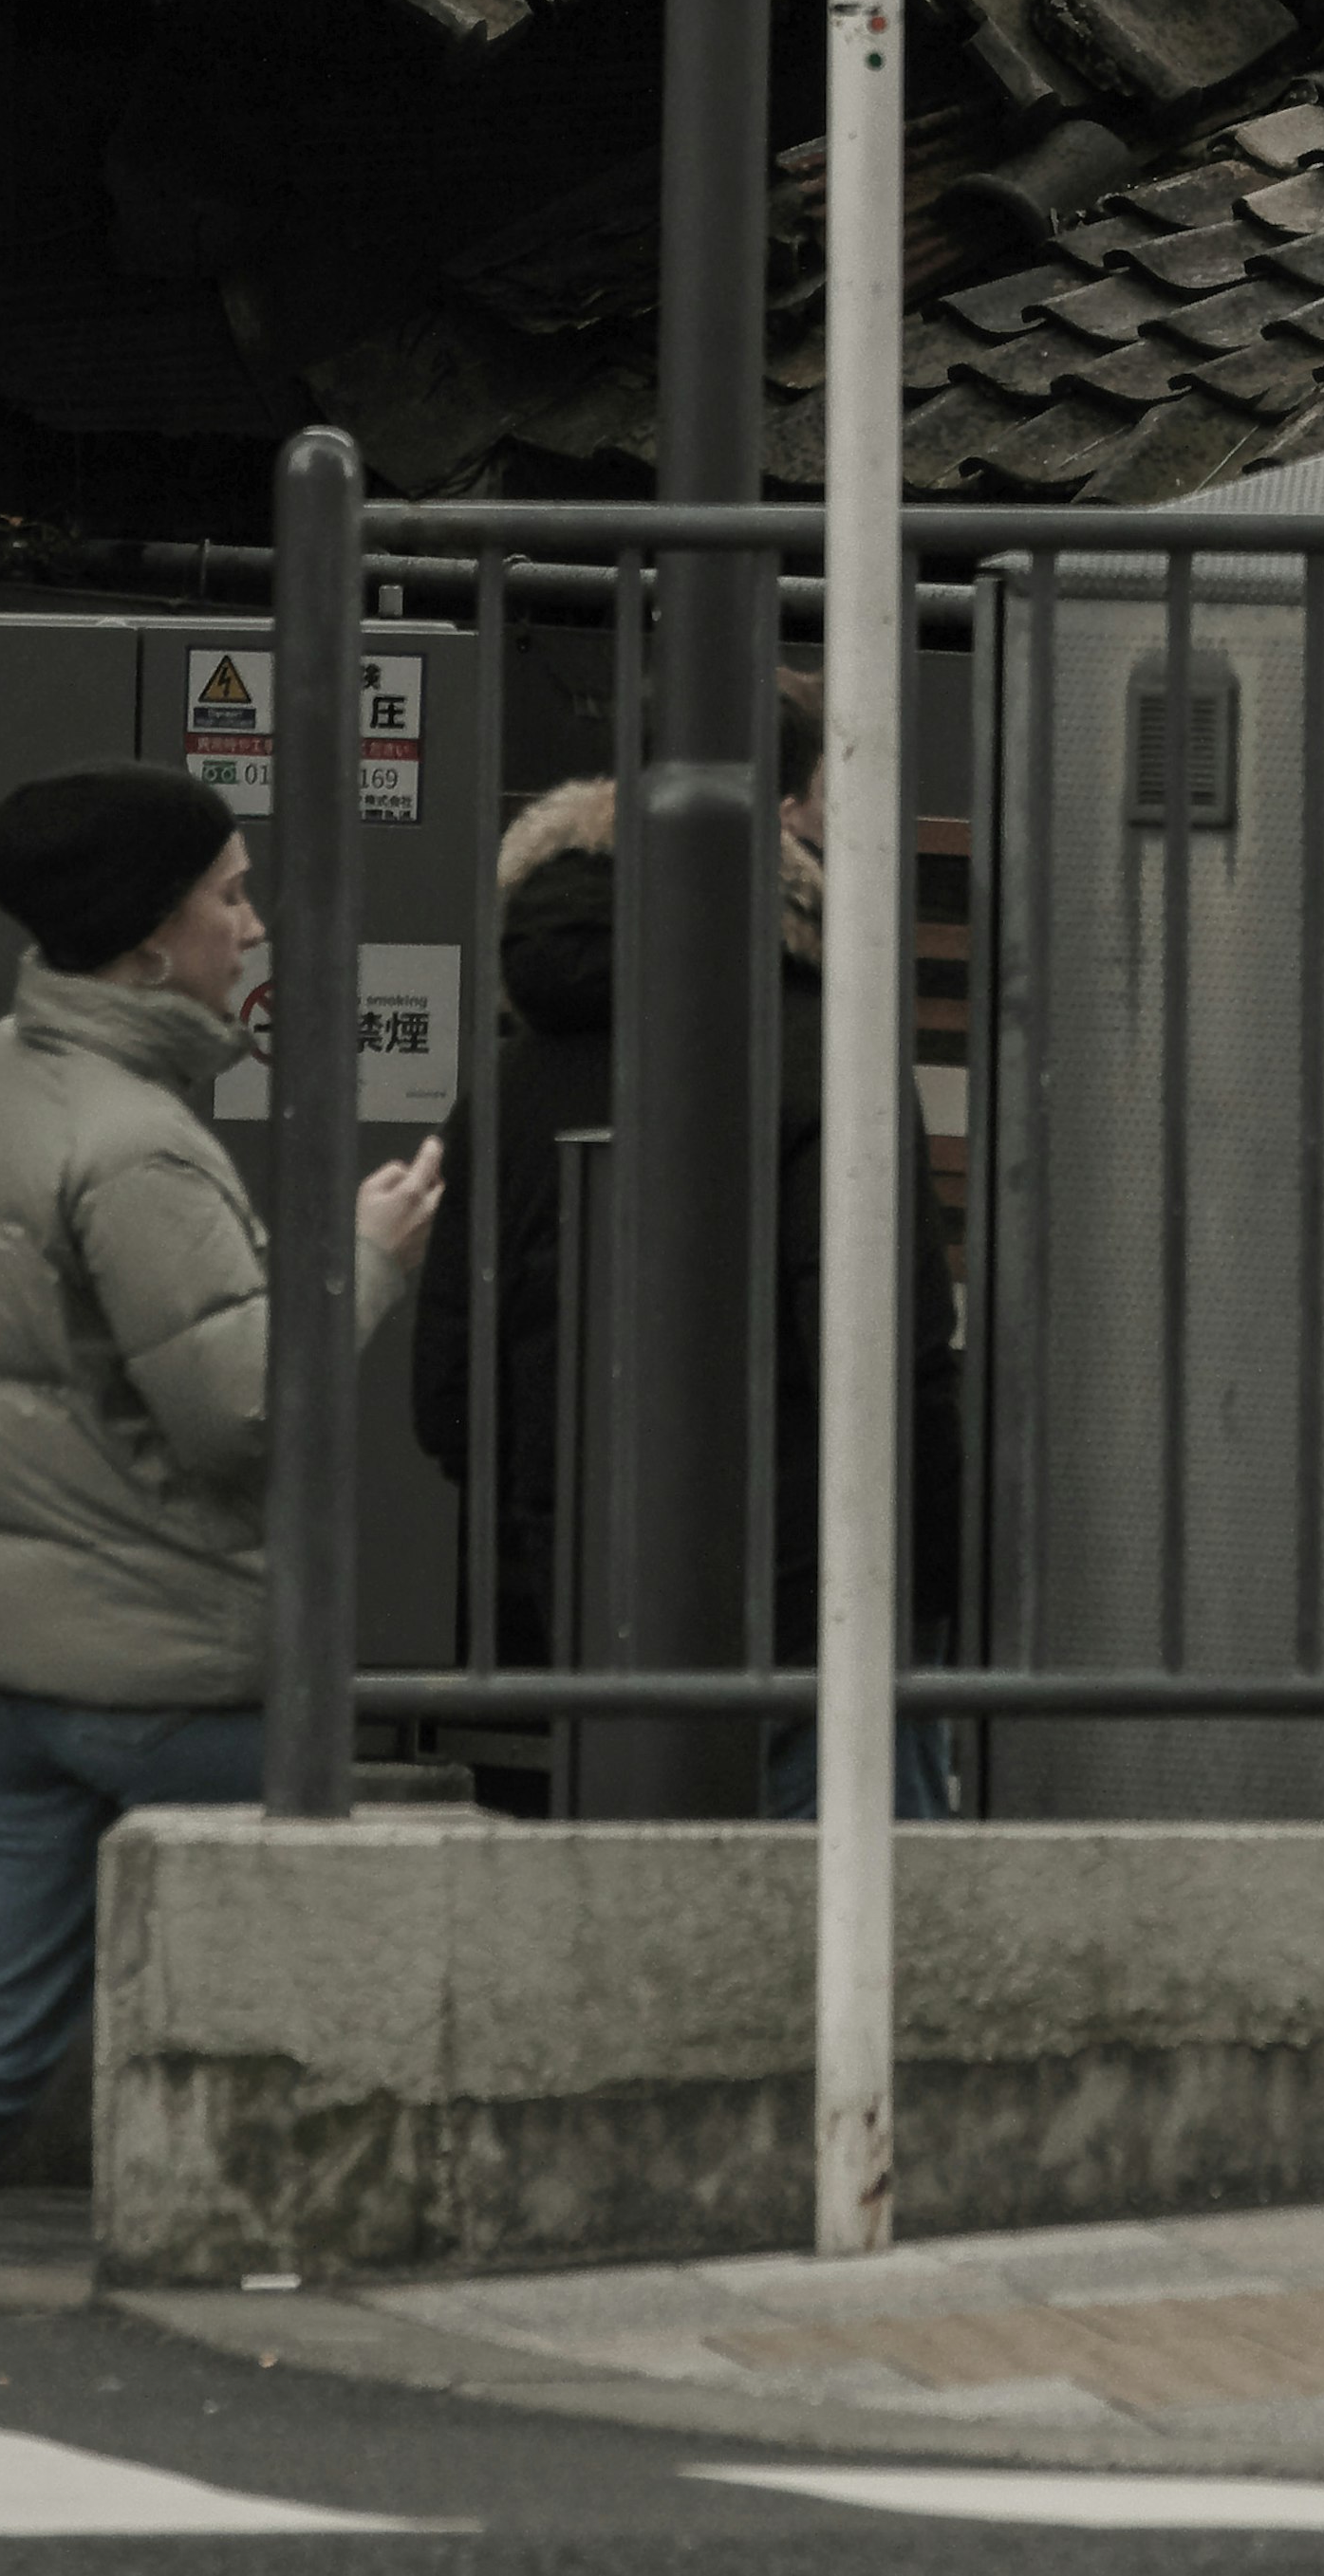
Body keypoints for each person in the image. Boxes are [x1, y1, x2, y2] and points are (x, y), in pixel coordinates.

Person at [0, 769, 442, 2263]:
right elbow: (244, 1408)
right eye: (230, 892)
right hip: (162, 1664)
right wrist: (359, 1258)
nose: (255, 922)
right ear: (152, 942)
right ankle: (327, 2238)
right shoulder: (137, 1143)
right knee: (374, 1940)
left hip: (6, 1671)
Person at [411, 676, 962, 1816]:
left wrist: (548, 1545)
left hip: (572, 1626)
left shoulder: (508, 1078)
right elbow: (879, 1359)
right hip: (803, 1619)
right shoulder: (827, 1057)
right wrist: (932, 1576)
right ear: (794, 814)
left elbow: (448, 1392)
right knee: (848, 1955)